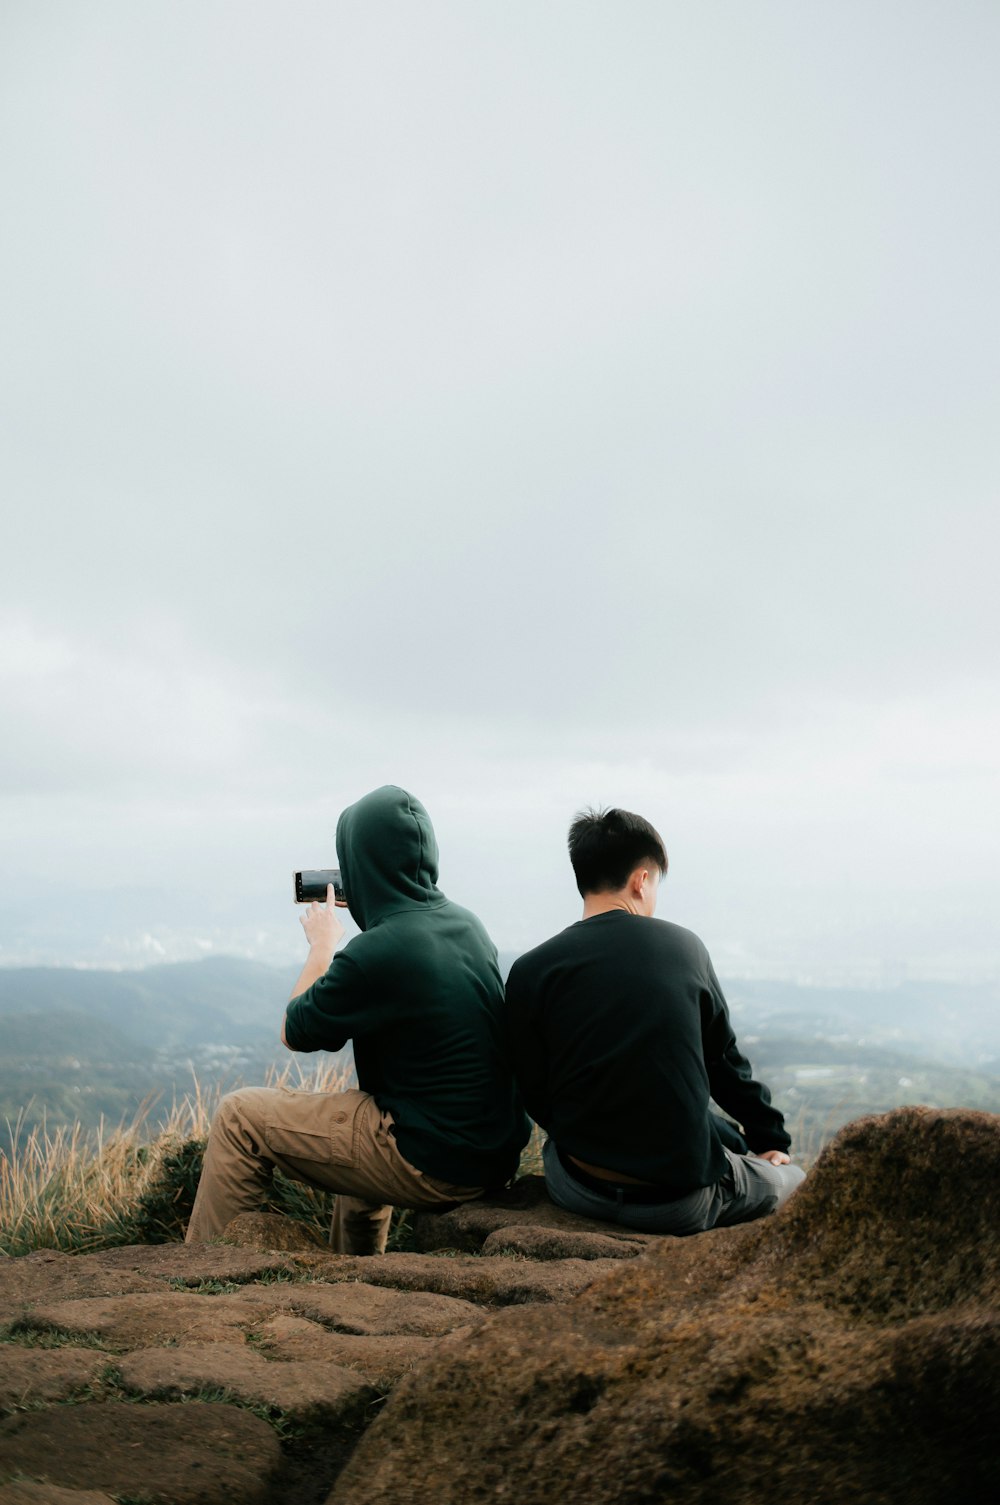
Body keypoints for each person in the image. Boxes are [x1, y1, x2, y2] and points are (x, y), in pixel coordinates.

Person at [187, 785, 529, 1253]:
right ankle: (359, 1273)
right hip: (491, 1152)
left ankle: (209, 1268)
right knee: (362, 1111)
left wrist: (323, 944)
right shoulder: (467, 925)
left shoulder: (379, 950)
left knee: (238, 1117)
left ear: (358, 865)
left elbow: (294, 1030)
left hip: (435, 1163)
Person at [504, 806, 805, 1236]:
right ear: (641, 880)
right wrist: (770, 1139)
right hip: (679, 1205)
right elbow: (722, 1063)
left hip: (575, 1187)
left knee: (717, 1133)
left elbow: (533, 1087)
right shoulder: (683, 949)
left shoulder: (533, 968)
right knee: (794, 1181)